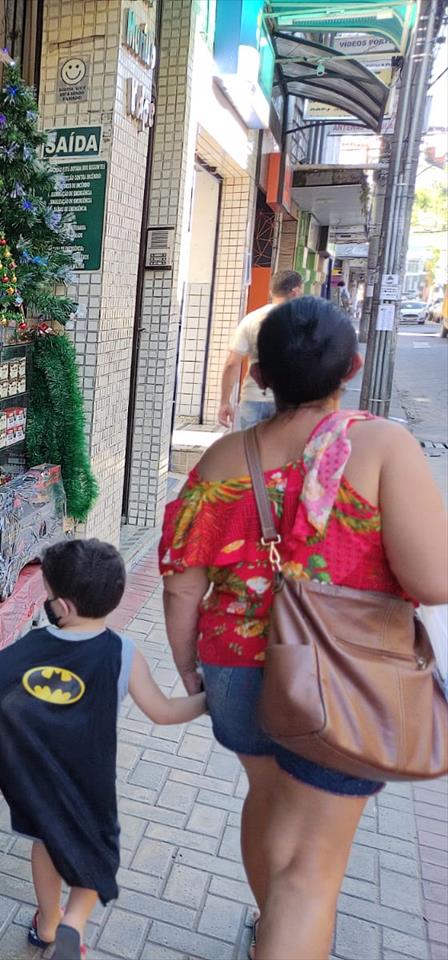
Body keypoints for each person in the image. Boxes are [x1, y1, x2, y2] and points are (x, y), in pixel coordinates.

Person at [159, 296, 448, 959]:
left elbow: (181, 584)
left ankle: (272, 929)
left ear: (260, 376)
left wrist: (187, 668)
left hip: (235, 669)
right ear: (353, 366)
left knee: (269, 800)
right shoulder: (383, 446)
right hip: (347, 677)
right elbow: (434, 581)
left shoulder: (223, 458)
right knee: (310, 872)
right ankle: (287, 934)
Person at [0, 539, 206, 960]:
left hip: (39, 782)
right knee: (94, 851)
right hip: (90, 782)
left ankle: (47, 923)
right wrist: (211, 701)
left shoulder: (34, 645)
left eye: (49, 595)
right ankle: (75, 923)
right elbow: (164, 712)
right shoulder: (122, 653)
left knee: (46, 842)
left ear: (65, 607)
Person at [217, 269, 304, 430]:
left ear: (272, 291)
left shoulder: (251, 319)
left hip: (253, 398)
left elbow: (232, 364)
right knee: (280, 453)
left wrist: (224, 402)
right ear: (295, 292)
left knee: (249, 452)